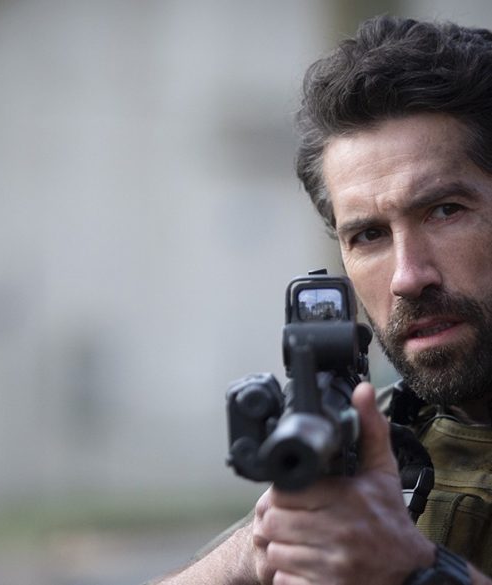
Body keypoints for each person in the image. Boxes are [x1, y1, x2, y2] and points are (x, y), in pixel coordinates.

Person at [148, 14, 492, 585]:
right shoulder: (377, 431)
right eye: (369, 235)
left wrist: (418, 571)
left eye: (444, 211)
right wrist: (256, 551)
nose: (407, 277)